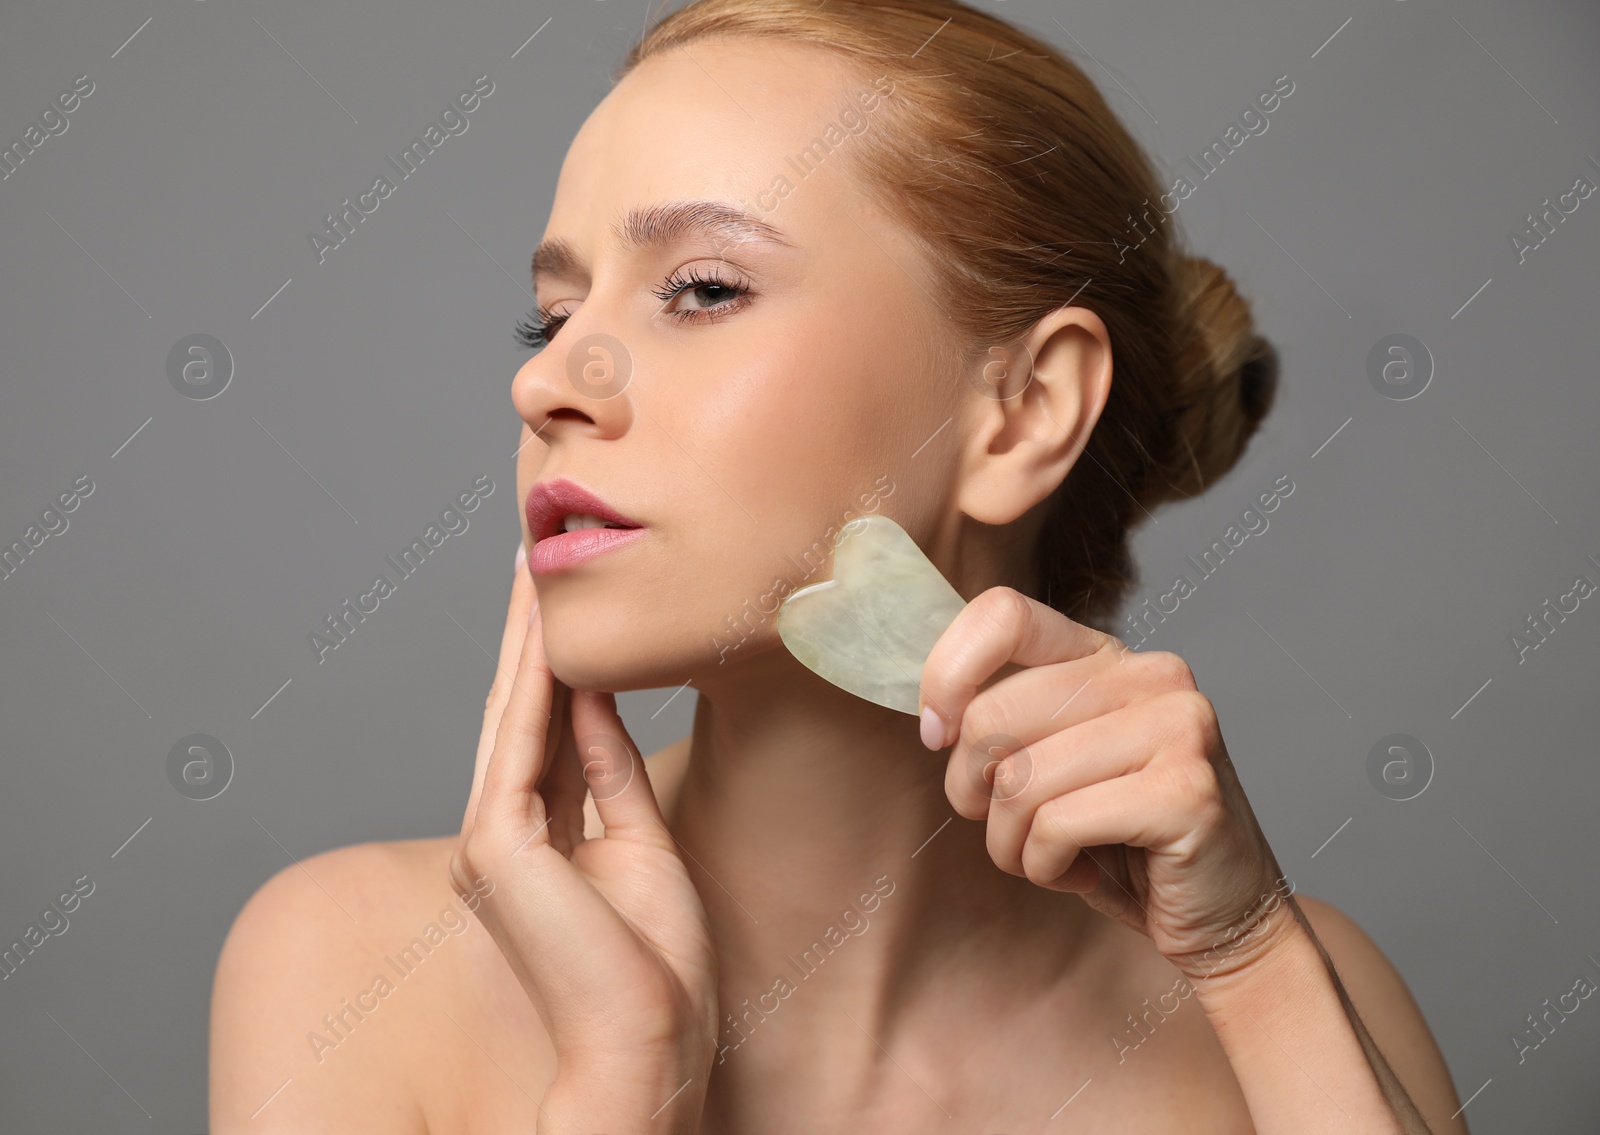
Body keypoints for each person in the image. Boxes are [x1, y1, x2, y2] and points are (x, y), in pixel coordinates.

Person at [210, 1, 1465, 1130]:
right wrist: (621, 1086)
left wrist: (1252, 962)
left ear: (1023, 410)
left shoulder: (1299, 1007)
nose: (543, 382)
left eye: (700, 289)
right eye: (553, 315)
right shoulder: (352, 975)